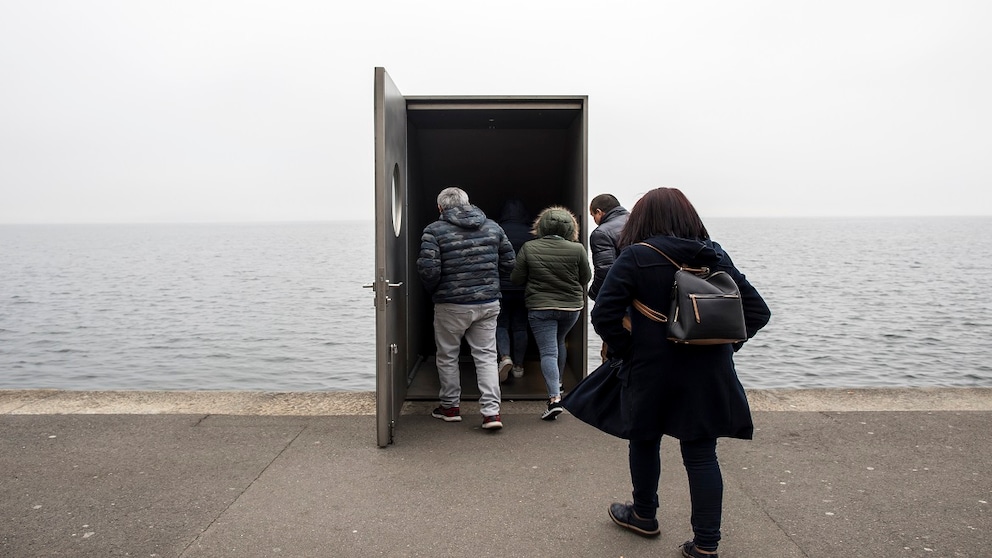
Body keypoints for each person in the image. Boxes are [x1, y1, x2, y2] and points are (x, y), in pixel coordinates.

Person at [589, 187, 770, 557]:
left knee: (643, 440)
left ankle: (643, 515)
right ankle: (706, 544)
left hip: (651, 370)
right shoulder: (714, 256)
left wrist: (629, 351)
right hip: (708, 372)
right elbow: (757, 313)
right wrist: (722, 346)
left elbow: (603, 315)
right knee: (702, 455)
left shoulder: (637, 256)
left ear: (641, 219)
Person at [417, 187, 516, 430]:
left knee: (448, 355)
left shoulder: (434, 231)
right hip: (488, 303)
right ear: (469, 203)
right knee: (485, 356)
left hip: (451, 305)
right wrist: (490, 281)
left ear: (440, 208)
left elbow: (429, 271)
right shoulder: (493, 227)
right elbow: (510, 263)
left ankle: (450, 407)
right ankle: (491, 414)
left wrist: (437, 291)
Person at [511, 205, 591, 420]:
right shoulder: (578, 249)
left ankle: (555, 399)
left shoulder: (529, 247)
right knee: (559, 342)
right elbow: (585, 278)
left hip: (540, 307)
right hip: (571, 307)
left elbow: (516, 279)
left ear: (542, 226)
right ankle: (559, 383)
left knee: (548, 352)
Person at [496, 199, 534, 382]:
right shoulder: (531, 234)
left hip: (501, 286)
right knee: (520, 326)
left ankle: (505, 357)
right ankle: (519, 366)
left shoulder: (497, 231)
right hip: (523, 287)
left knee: (501, 324)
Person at [588, 194, 629, 362]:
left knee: (612, 354)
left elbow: (605, 272)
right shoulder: (638, 222)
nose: (594, 220)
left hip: (620, 302)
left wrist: (593, 294)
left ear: (599, 212)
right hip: (647, 302)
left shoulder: (602, 233)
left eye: (593, 216)